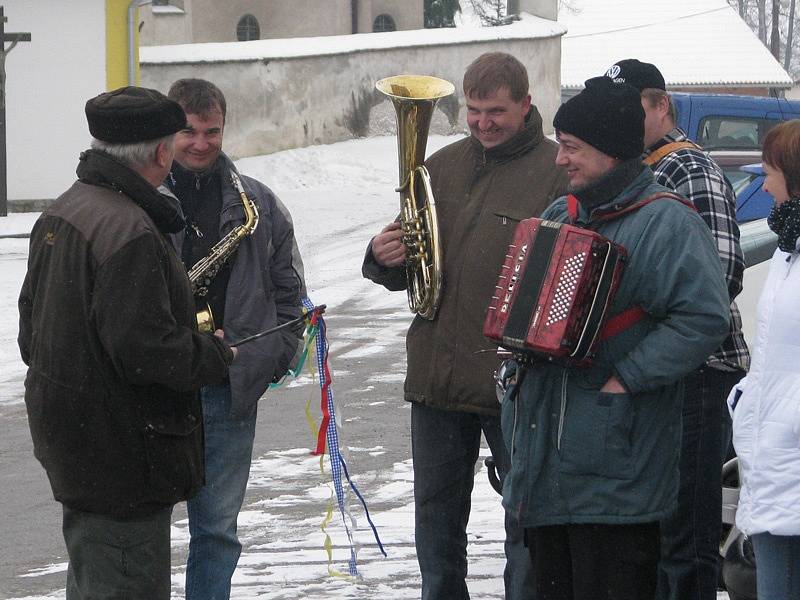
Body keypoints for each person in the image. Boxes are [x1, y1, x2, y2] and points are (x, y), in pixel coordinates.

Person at [501, 76, 731, 600]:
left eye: (572, 148)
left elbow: (704, 318)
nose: (560, 160)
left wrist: (626, 378)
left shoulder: (668, 223)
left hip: (615, 471)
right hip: (545, 471)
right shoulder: (563, 214)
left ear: (610, 152)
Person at [363, 52, 568, 600]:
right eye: (474, 111)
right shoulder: (440, 165)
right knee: (435, 527)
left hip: (515, 384)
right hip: (438, 378)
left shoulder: (556, 172)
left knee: (525, 525)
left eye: (496, 111)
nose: (483, 123)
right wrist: (383, 258)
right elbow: (417, 264)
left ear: (526, 105)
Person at [17, 86, 235, 599]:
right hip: (122, 455)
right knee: (123, 582)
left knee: (94, 579)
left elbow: (32, 334)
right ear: (162, 152)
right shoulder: (129, 228)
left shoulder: (66, 209)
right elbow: (145, 352)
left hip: (78, 442)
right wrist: (214, 353)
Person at [604, 58, 750, 600]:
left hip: (699, 369)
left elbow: (721, 278)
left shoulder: (688, 169)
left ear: (660, 105)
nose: (621, 117)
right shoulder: (633, 169)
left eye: (631, 106)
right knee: (657, 531)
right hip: (657, 373)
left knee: (686, 536)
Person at [164, 78, 304, 600]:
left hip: (227, 386)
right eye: (189, 131)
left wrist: (268, 357)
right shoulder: (140, 200)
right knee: (147, 529)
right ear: (167, 131)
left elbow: (291, 297)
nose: (201, 143)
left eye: (212, 131)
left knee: (218, 533)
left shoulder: (259, 205)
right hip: (157, 385)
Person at [728, 119, 800, 599]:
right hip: (775, 451)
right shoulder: (787, 245)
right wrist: (748, 397)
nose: (764, 181)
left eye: (771, 170)